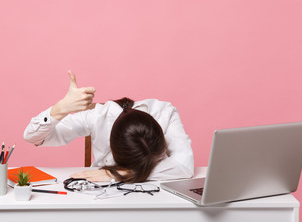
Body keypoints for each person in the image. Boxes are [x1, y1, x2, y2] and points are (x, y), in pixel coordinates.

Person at [24, 71, 194, 182]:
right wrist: (60, 109)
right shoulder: (98, 117)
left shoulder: (164, 113)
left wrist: (118, 174)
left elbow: (184, 166)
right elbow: (33, 137)